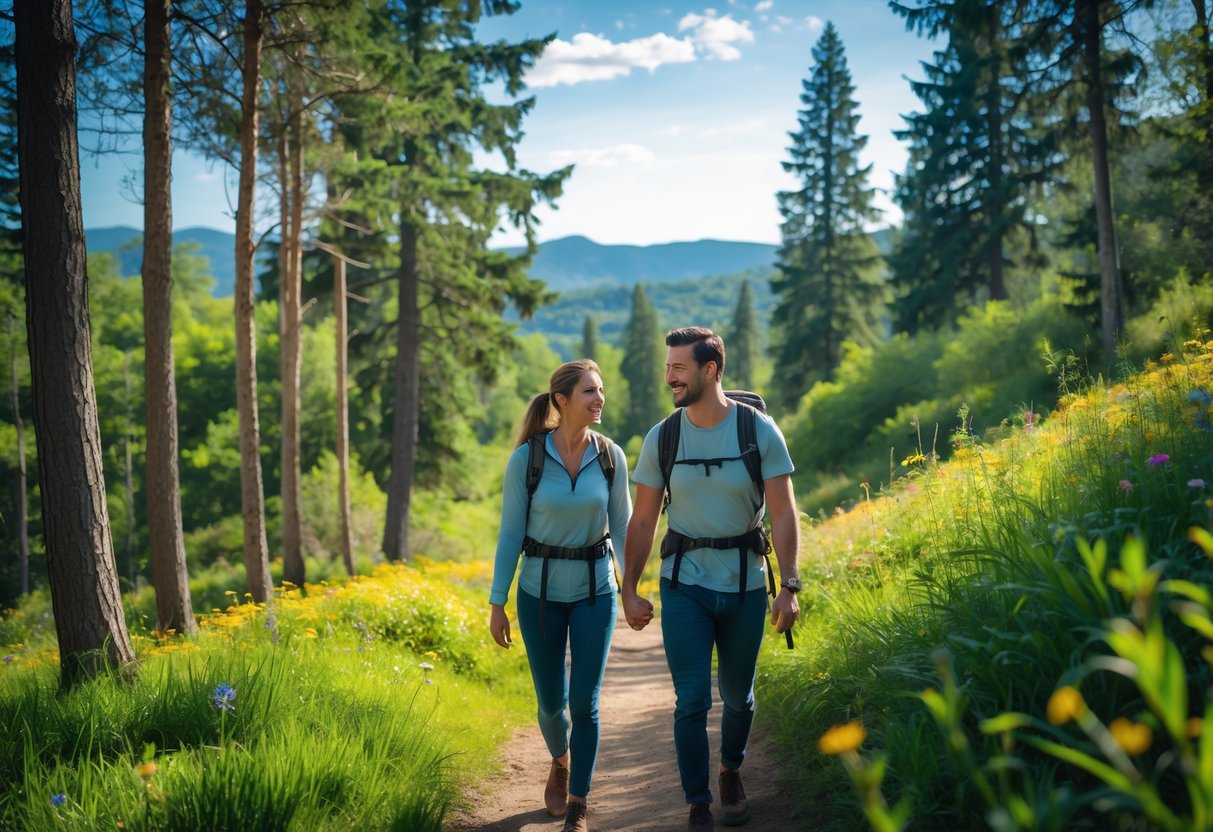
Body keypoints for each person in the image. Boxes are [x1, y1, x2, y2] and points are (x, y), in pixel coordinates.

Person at [621, 327, 801, 832]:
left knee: (739, 696)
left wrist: (789, 584)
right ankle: (698, 801)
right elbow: (643, 520)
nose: (669, 377)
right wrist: (629, 588)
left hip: (745, 582)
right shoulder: (664, 436)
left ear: (710, 370)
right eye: (667, 367)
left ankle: (731, 772)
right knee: (693, 697)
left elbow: (784, 513)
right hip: (684, 584)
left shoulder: (758, 431)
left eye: (678, 368)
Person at [489, 359, 632, 832]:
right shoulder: (526, 459)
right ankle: (560, 759)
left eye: (601, 390)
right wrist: (497, 602)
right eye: (589, 391)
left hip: (596, 591)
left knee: (585, 704)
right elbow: (510, 534)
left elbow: (625, 531)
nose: (599, 399)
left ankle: (578, 802)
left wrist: (631, 589)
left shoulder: (611, 456)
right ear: (561, 400)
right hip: (539, 593)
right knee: (552, 703)